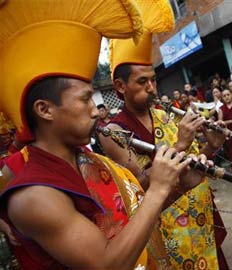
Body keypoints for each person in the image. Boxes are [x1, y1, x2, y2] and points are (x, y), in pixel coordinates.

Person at [0, 1, 196, 269]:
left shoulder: (90, 161)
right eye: (85, 100)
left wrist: (178, 182)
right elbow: (107, 264)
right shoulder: (34, 196)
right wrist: (159, 188)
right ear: (44, 110)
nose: (95, 111)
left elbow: (134, 219)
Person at [99, 1, 229, 269]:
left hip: (199, 220)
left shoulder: (165, 115)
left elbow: (190, 168)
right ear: (119, 86)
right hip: (165, 233)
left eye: (153, 79)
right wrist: (181, 142)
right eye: (142, 82)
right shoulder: (113, 132)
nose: (151, 88)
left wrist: (210, 148)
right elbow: (140, 188)